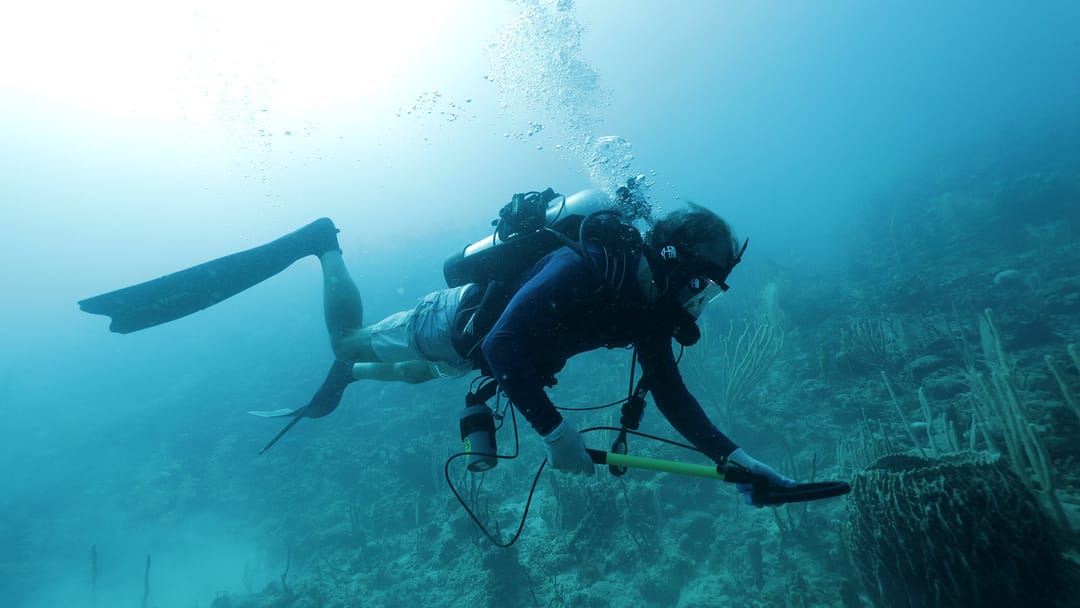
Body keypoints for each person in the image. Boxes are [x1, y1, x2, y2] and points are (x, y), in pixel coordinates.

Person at [78, 188, 795, 505]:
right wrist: (556, 434)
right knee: (350, 339)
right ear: (673, 259)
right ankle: (321, 244)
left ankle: (354, 378)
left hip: (477, 356)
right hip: (454, 324)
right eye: (703, 280)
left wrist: (733, 457)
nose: (702, 298)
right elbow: (510, 341)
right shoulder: (589, 264)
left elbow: (671, 395)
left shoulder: (646, 311)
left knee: (426, 377)